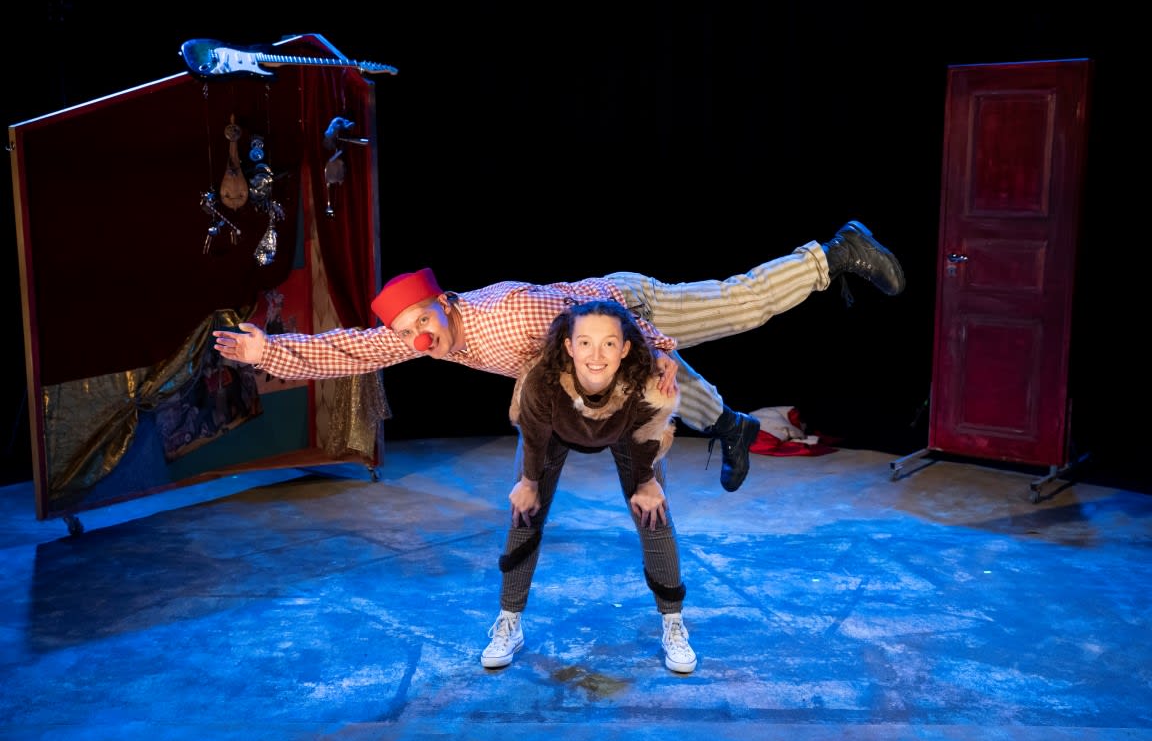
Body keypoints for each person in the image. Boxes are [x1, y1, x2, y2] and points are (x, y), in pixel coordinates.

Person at [213, 220, 905, 492]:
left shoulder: (507, 311)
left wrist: (658, 346)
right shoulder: (427, 336)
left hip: (625, 306)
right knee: (662, 387)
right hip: (595, 344)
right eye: (408, 331)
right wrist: (271, 349)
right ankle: (734, 428)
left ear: (443, 302)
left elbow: (599, 317)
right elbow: (353, 348)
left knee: (736, 308)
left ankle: (833, 253)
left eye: (422, 321)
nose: (418, 338)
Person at [482, 298, 694, 672]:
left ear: (624, 348)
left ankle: (674, 623)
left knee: (654, 512)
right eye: (585, 343)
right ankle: (508, 622)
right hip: (552, 433)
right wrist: (529, 482)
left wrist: (646, 482)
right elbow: (534, 436)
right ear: (569, 346)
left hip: (629, 434)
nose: (596, 355)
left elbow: (648, 431)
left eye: (609, 343)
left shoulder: (647, 382)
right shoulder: (542, 381)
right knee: (524, 511)